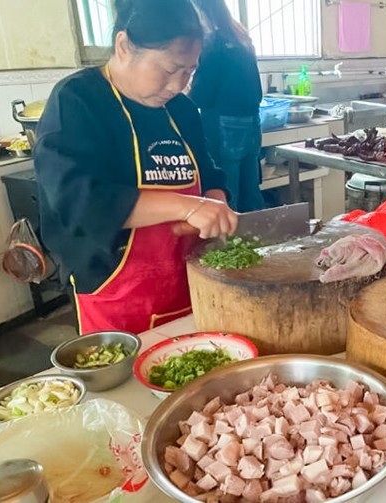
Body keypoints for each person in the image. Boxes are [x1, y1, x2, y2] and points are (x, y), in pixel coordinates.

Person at [35, 0, 238, 336]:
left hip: (189, 284)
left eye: (189, 71)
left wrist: (215, 202)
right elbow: (82, 202)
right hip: (114, 296)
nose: (178, 85)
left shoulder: (182, 110)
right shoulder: (78, 101)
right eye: (170, 69)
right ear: (124, 46)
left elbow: (209, 173)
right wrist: (189, 206)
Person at [189, 0, 266, 213]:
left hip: (225, 125)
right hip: (251, 123)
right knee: (251, 192)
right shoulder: (239, 36)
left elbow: (201, 95)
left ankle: (231, 243)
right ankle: (258, 240)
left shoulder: (213, 40)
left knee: (226, 193)